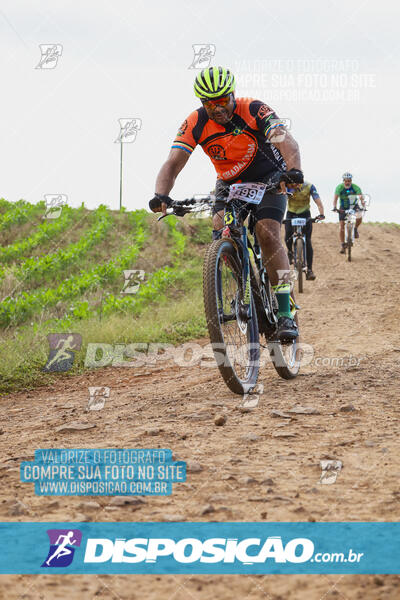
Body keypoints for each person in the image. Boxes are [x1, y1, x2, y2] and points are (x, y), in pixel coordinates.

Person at [149, 66, 304, 341]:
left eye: (222, 100)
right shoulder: (195, 122)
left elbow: (287, 141)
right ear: (201, 103)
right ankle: (239, 274)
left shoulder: (254, 109)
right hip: (230, 183)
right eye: (209, 103)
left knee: (267, 232)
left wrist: (293, 171)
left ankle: (285, 311)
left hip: (269, 178)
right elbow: (173, 163)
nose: (217, 107)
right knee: (221, 226)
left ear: (232, 93)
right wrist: (161, 194)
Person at [284, 182, 325, 280]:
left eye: (297, 183)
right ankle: (290, 251)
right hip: (291, 213)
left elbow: (317, 200)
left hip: (305, 214)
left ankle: (310, 270)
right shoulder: (287, 186)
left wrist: (321, 213)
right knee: (288, 234)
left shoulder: (309, 186)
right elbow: (281, 199)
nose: (295, 185)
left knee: (308, 241)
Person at [333, 172, 364, 253]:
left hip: (354, 205)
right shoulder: (339, 187)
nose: (347, 182)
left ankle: (355, 229)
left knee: (359, 216)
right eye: (346, 181)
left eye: (349, 181)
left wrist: (363, 204)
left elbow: (360, 196)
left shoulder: (355, 187)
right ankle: (343, 245)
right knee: (342, 226)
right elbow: (335, 198)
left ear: (351, 180)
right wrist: (334, 207)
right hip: (343, 207)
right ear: (343, 180)